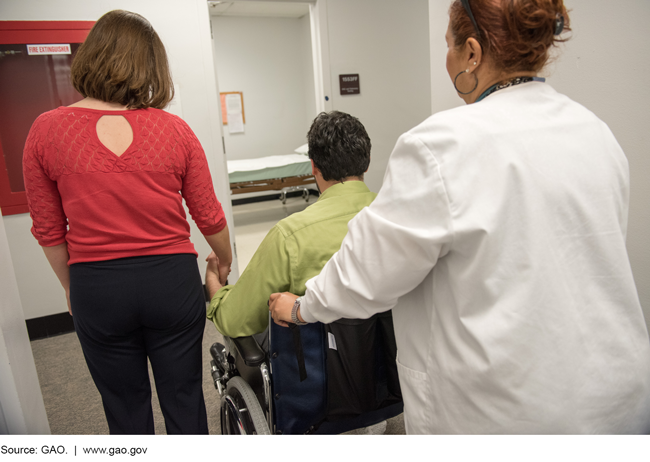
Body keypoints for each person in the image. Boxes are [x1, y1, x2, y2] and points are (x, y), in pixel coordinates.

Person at [270, 0, 650, 434]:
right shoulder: (594, 131)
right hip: (618, 395)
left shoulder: (442, 144)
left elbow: (365, 274)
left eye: (449, 47)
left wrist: (301, 308)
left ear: (471, 52)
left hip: (509, 410)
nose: (447, 59)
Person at [22, 10, 232, 435]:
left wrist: (72, 286)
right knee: (185, 396)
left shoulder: (45, 131)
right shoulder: (175, 130)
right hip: (171, 281)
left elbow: (47, 229)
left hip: (97, 287)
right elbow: (208, 215)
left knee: (124, 407)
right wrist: (223, 262)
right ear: (151, 66)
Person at [205, 111, 374, 339]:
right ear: (367, 163)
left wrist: (213, 281)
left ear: (313, 166)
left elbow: (233, 320)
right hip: (390, 355)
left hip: (320, 365)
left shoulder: (289, 236)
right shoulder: (398, 218)